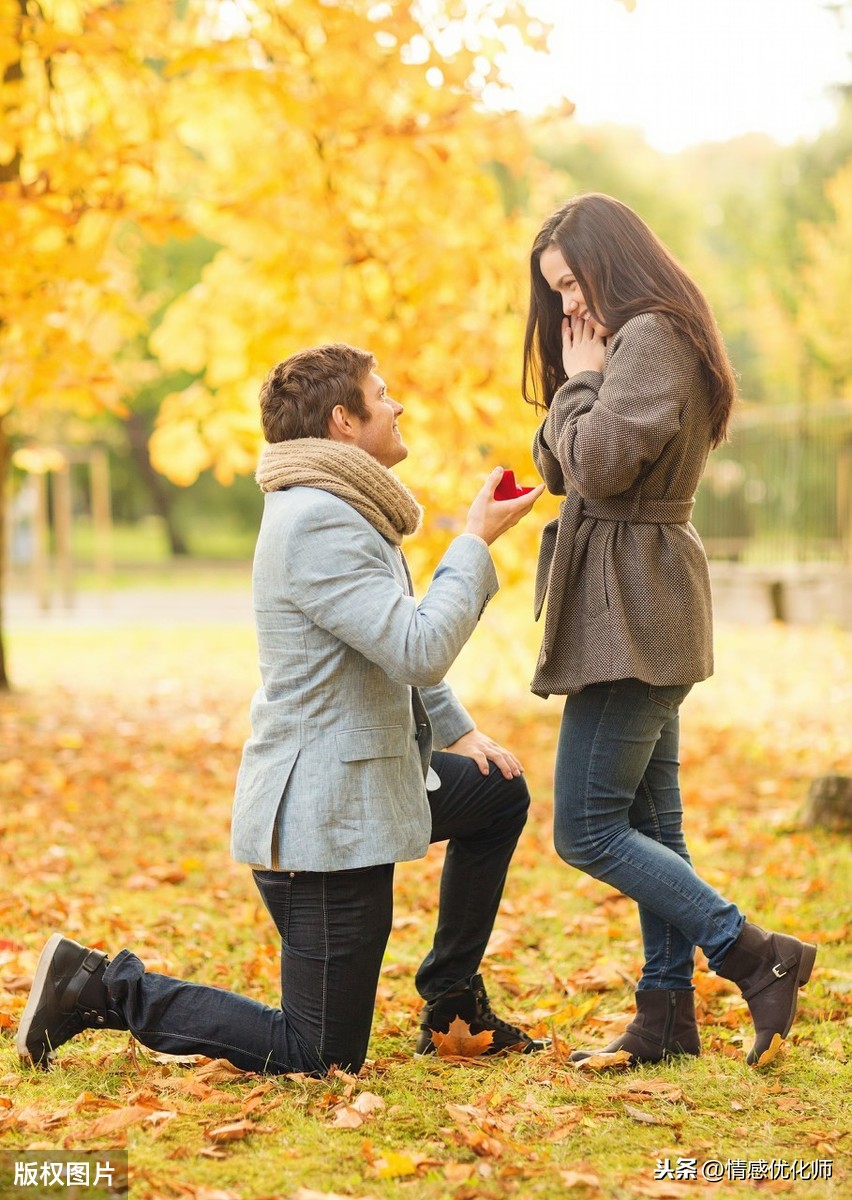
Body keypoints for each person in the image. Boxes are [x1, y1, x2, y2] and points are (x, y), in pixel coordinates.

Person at [18, 343, 548, 1074]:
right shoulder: (318, 524)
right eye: (383, 393)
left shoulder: (341, 510)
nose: (399, 406)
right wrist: (474, 543)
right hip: (322, 827)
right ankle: (103, 986)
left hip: (364, 782)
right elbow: (417, 646)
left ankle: (452, 1004)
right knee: (320, 1054)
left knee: (497, 795)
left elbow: (378, 642)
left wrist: (460, 730)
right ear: (343, 419)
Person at [523, 194, 817, 1067]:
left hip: (635, 605)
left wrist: (581, 383)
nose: (569, 305)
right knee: (655, 823)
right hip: (634, 598)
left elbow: (599, 464)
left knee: (586, 827)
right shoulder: (627, 341)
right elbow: (556, 465)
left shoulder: (651, 336)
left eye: (573, 282)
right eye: (556, 291)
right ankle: (666, 1016)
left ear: (612, 261)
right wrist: (579, 379)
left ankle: (752, 953)